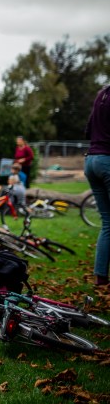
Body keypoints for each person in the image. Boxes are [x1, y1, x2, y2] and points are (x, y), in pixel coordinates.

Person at [83, 83, 110, 287]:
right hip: (107, 160)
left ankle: (100, 277)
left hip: (92, 160)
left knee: (108, 222)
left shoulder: (102, 94)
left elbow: (88, 129)